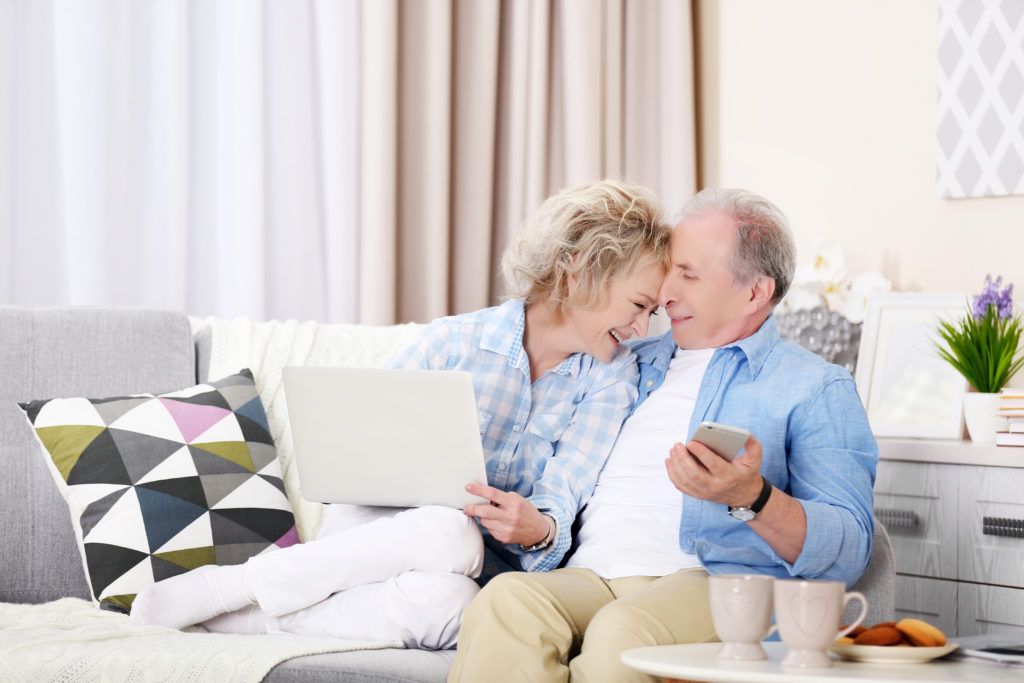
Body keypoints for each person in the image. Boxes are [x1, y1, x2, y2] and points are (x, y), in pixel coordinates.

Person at [128, 179, 672, 651]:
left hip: (478, 567)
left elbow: (567, 485)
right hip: (374, 530)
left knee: (455, 605)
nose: (643, 327)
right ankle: (237, 586)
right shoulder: (453, 342)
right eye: (639, 304)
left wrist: (538, 529)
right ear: (580, 274)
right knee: (447, 528)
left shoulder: (610, 378)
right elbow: (353, 450)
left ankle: (249, 616)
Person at [447, 187, 878, 682]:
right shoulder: (622, 362)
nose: (665, 293)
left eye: (689, 275)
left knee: (621, 632)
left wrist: (752, 497)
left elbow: (849, 549)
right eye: (670, 270)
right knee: (506, 602)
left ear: (755, 292)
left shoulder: (814, 386)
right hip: (592, 573)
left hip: (713, 581)